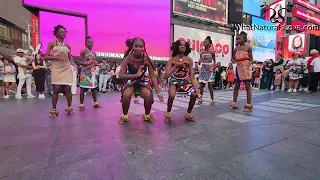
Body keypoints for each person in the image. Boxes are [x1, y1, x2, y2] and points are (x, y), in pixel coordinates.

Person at [118, 37, 163, 123]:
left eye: (141, 47)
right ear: (132, 47)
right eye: (136, 46)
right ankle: (124, 116)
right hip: (131, 80)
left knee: (148, 95)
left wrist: (158, 92)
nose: (138, 49)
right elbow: (121, 75)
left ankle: (147, 115)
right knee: (126, 95)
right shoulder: (127, 58)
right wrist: (135, 75)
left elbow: (153, 76)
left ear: (144, 47)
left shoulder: (146, 59)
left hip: (143, 81)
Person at [164, 40, 201, 122]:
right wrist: (176, 65)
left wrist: (197, 91)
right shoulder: (171, 60)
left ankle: (188, 114)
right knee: (171, 96)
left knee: (194, 95)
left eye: (184, 45)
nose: (183, 46)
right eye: (180, 45)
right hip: (174, 80)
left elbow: (191, 76)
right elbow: (166, 75)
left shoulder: (189, 60)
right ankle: (168, 114)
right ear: (177, 47)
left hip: (185, 81)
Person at [45, 25, 77, 117]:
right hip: (56, 68)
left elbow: (70, 59)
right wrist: (56, 57)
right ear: (56, 34)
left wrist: (74, 65)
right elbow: (46, 57)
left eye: (64, 32)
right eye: (61, 32)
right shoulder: (52, 43)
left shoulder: (67, 46)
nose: (63, 33)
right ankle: (54, 109)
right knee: (56, 89)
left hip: (66, 67)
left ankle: (69, 108)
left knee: (68, 89)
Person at [230, 31, 253, 112]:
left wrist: (247, 66)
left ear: (244, 39)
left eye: (239, 38)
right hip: (238, 67)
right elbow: (232, 58)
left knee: (247, 87)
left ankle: (248, 105)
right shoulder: (236, 48)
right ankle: (234, 103)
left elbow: (251, 59)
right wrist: (234, 62)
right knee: (236, 86)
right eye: (237, 39)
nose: (237, 40)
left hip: (246, 68)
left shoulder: (248, 47)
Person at [78, 36, 101, 111]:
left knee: (93, 88)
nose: (91, 43)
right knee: (82, 88)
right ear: (85, 43)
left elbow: (94, 62)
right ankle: (81, 104)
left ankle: (95, 103)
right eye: (89, 42)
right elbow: (79, 62)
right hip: (85, 72)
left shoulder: (94, 53)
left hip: (92, 72)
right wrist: (87, 63)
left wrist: (97, 64)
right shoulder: (83, 52)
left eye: (92, 42)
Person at [197, 36, 216, 105]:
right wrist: (198, 62)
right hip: (203, 69)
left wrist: (212, 68)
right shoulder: (202, 52)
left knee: (210, 85)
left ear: (209, 44)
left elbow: (215, 62)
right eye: (204, 41)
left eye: (206, 42)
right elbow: (200, 60)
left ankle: (212, 99)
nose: (204, 43)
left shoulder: (212, 52)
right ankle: (200, 99)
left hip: (209, 69)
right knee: (201, 85)